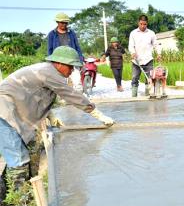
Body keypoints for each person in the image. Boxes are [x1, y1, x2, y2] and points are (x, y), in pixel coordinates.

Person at [0, 46, 114, 188]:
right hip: (4, 112)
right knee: (18, 158)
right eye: (70, 66)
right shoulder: (49, 73)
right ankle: (17, 201)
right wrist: (98, 114)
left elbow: (38, 97)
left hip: (10, 109)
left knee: (20, 153)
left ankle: (20, 193)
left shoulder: (47, 70)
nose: (72, 70)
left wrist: (50, 115)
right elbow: (71, 95)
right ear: (59, 63)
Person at [128, 15, 161, 97]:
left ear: (147, 24)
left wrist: (159, 53)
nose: (143, 26)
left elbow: (156, 44)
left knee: (149, 79)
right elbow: (131, 45)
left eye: (145, 24)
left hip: (148, 59)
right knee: (135, 78)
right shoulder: (133, 33)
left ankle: (147, 95)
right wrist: (132, 52)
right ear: (138, 23)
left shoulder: (151, 33)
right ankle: (134, 97)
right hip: (136, 61)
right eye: (141, 24)